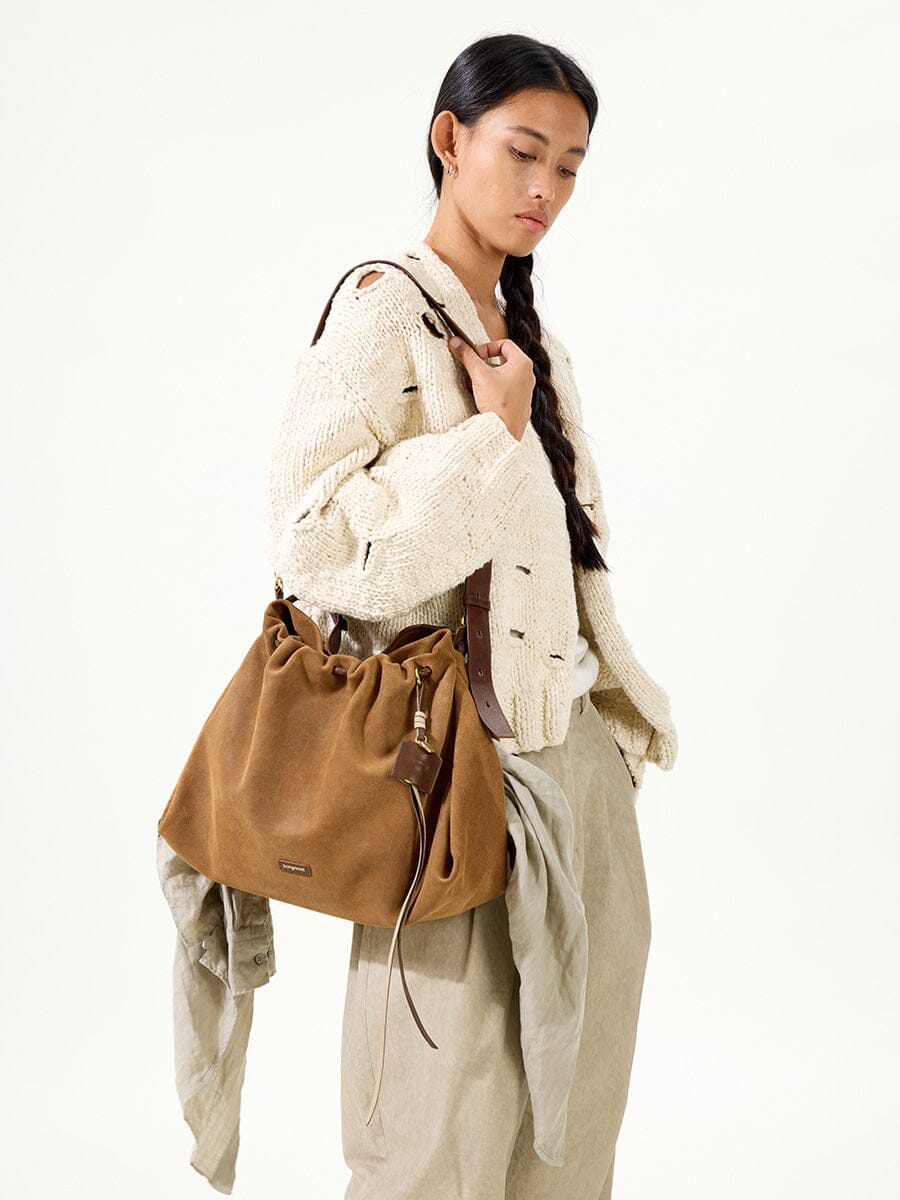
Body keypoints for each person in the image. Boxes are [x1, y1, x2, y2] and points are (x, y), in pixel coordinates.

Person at [264, 31, 678, 1200]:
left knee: (574, 1123)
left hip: (573, 766)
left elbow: (564, 567)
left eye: (571, 167)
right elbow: (314, 545)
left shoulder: (529, 341)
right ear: (450, 140)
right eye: (524, 152)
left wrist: (610, 731)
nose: (546, 188)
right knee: (435, 1128)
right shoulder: (380, 314)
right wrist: (488, 438)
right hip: (448, 775)